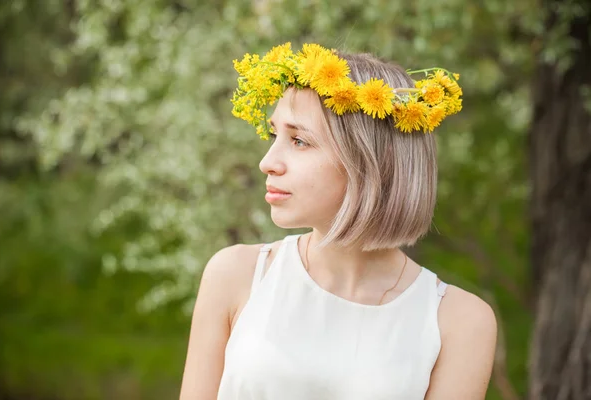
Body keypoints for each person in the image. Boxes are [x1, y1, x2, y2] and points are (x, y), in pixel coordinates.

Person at [179, 43, 497, 400]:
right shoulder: (236, 275)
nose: (268, 162)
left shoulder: (459, 321)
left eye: (299, 140)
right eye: (274, 135)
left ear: (370, 162)